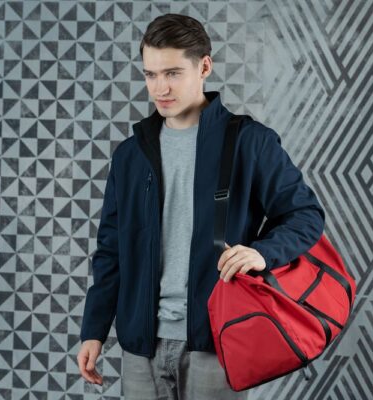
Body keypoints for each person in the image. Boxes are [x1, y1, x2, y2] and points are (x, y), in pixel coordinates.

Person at [77, 13, 325, 400]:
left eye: (173, 73)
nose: (160, 88)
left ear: (204, 67)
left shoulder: (249, 141)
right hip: (141, 345)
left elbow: (305, 215)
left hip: (217, 339)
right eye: (151, 74)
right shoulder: (130, 155)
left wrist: (262, 253)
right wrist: (93, 330)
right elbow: (111, 250)